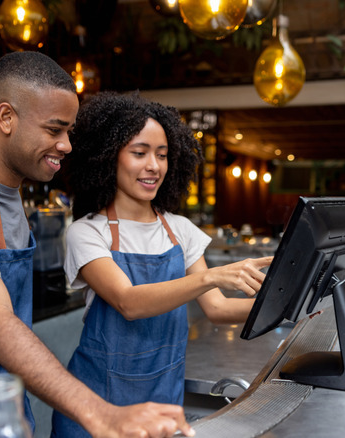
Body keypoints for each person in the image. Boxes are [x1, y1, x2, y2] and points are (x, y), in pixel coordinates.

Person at [0, 52, 194, 438]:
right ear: (6, 118)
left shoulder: (9, 197)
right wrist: (100, 413)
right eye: (54, 130)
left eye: (69, 132)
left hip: (0, 402)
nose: (66, 145)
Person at [51, 92, 273, 436]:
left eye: (162, 155)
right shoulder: (87, 232)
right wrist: (210, 276)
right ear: (109, 158)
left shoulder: (180, 230)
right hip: (99, 405)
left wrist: (288, 304)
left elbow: (217, 308)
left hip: (164, 398)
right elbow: (129, 302)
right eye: (139, 153)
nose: (153, 166)